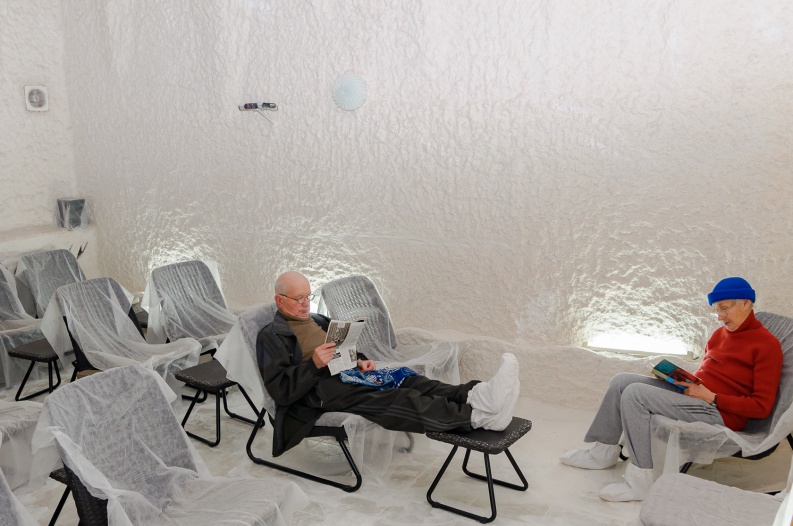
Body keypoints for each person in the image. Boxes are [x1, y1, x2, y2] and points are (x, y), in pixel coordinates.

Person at [559, 276, 783, 502]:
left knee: (635, 394)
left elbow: (761, 407)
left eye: (724, 309)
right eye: (716, 310)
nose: (720, 316)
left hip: (720, 412)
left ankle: (641, 481)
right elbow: (709, 373)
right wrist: (680, 380)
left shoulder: (767, 345)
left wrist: (712, 397)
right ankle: (603, 453)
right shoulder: (719, 335)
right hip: (696, 395)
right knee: (621, 381)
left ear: (745, 303)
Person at [256, 271, 520, 457]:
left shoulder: (318, 320)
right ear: (280, 300)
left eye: (308, 296)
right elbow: (280, 391)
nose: (305, 304)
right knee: (399, 398)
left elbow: (343, 350)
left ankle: (478, 395)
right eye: (298, 299)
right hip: (319, 392)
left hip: (347, 374)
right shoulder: (271, 336)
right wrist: (313, 364)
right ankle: (478, 417)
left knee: (410, 379)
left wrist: (361, 361)